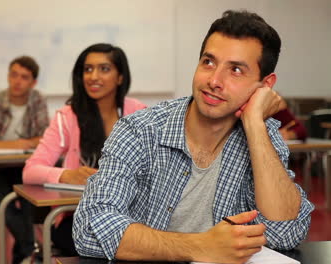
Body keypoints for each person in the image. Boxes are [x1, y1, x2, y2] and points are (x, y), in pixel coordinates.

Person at [73, 10, 314, 264]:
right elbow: (89, 228)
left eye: (235, 70)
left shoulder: (263, 136)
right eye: (208, 62)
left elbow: (286, 232)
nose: (214, 80)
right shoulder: (140, 130)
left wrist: (254, 123)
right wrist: (201, 246)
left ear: (265, 85)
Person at [22, 43, 147, 256]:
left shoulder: (138, 113)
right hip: (78, 217)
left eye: (104, 69)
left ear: (120, 77)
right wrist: (66, 175)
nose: (93, 76)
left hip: (131, 214)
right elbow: (30, 171)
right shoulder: (68, 116)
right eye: (88, 69)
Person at [0, 56, 49, 264]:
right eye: (13, 75)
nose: (17, 81)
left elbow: (45, 138)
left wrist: (26, 143)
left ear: (33, 83)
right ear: (8, 76)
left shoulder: (37, 100)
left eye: (24, 77)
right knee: (5, 200)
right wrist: (15, 145)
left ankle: (21, 256)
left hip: (26, 168)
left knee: (29, 200)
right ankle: (31, 251)